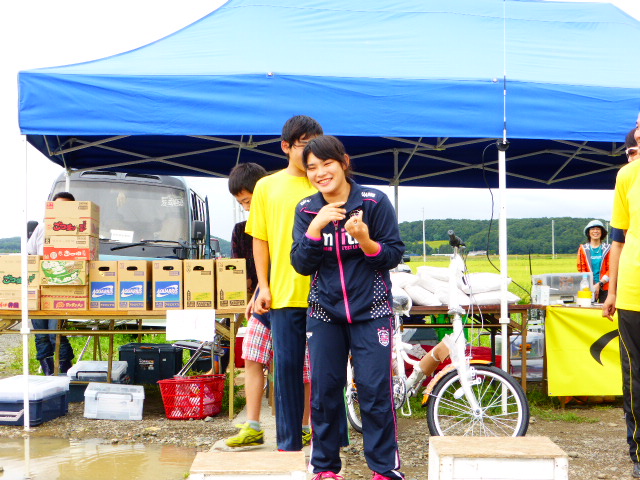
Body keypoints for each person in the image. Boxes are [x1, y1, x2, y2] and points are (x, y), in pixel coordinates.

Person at [291, 135, 406, 480]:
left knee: (374, 390)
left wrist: (365, 240)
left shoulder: (373, 201)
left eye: (327, 164)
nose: (320, 173)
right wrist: (315, 228)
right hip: (324, 312)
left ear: (343, 163)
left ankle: (384, 469)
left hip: (372, 310)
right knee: (325, 391)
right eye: (312, 167)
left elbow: (392, 254)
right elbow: (301, 264)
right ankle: (325, 468)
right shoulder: (306, 209)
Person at [244, 115, 326, 452]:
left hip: (327, 293)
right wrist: (262, 286)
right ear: (286, 147)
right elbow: (260, 240)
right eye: (305, 145)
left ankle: (330, 441)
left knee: (326, 370)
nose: (312, 152)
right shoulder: (267, 186)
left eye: (317, 144)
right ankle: (288, 446)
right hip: (284, 292)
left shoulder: (326, 181)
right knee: (287, 370)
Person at [224, 162, 312, 447]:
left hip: (293, 299)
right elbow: (250, 271)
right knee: (251, 354)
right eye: (242, 203)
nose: (247, 207)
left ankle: (305, 426)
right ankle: (252, 425)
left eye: (248, 201)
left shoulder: (290, 215)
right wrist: (257, 292)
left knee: (302, 367)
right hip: (265, 301)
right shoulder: (242, 230)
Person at [602, 125, 640, 478]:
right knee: (635, 378)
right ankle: (638, 454)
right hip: (633, 292)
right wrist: (612, 291)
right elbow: (618, 241)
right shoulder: (627, 176)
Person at [26, 191, 76, 375]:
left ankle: (65, 373)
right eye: (58, 205)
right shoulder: (42, 227)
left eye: (67, 206)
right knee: (40, 335)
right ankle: (48, 374)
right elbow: (30, 254)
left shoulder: (77, 229)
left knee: (56, 334)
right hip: (38, 288)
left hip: (63, 289)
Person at [577, 220, 610, 303]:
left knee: (606, 309)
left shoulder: (608, 248)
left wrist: (600, 284)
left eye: (598, 229)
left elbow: (611, 269)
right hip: (589, 287)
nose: (595, 231)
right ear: (588, 232)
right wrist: (591, 286)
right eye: (592, 229)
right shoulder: (583, 249)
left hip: (606, 287)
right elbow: (581, 269)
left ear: (602, 232)